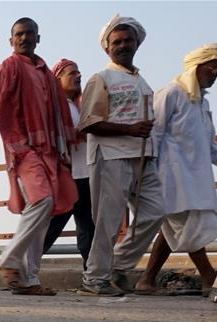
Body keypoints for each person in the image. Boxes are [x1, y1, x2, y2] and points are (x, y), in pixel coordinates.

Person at [0, 20, 77, 296]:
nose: (24, 38)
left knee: (44, 211)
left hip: (50, 151)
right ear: (11, 40)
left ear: (38, 38)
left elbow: (63, 114)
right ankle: (11, 258)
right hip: (21, 148)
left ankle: (30, 278)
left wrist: (66, 148)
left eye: (29, 34)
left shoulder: (47, 75)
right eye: (18, 35)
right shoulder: (6, 69)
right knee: (42, 200)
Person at [135, 44, 217, 294]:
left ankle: (146, 280)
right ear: (198, 66)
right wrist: (147, 175)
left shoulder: (202, 105)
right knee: (188, 228)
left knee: (176, 229)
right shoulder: (171, 93)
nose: (216, 74)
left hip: (196, 180)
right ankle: (211, 279)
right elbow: (153, 135)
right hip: (170, 177)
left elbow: (210, 144)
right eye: (214, 68)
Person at [79, 14, 160, 296]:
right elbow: (88, 122)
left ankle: (118, 266)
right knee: (108, 221)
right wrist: (130, 129)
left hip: (143, 157)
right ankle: (95, 277)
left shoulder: (142, 81)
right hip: (110, 155)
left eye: (128, 40)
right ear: (107, 47)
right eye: (117, 42)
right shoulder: (101, 78)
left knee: (155, 212)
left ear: (137, 43)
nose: (123, 45)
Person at [42, 59, 96, 269]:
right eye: (71, 73)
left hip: (87, 174)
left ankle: (91, 273)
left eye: (79, 72)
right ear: (57, 79)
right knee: (51, 227)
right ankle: (20, 269)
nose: (78, 76)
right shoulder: (53, 106)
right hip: (65, 176)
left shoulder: (82, 106)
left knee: (88, 228)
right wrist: (73, 133)